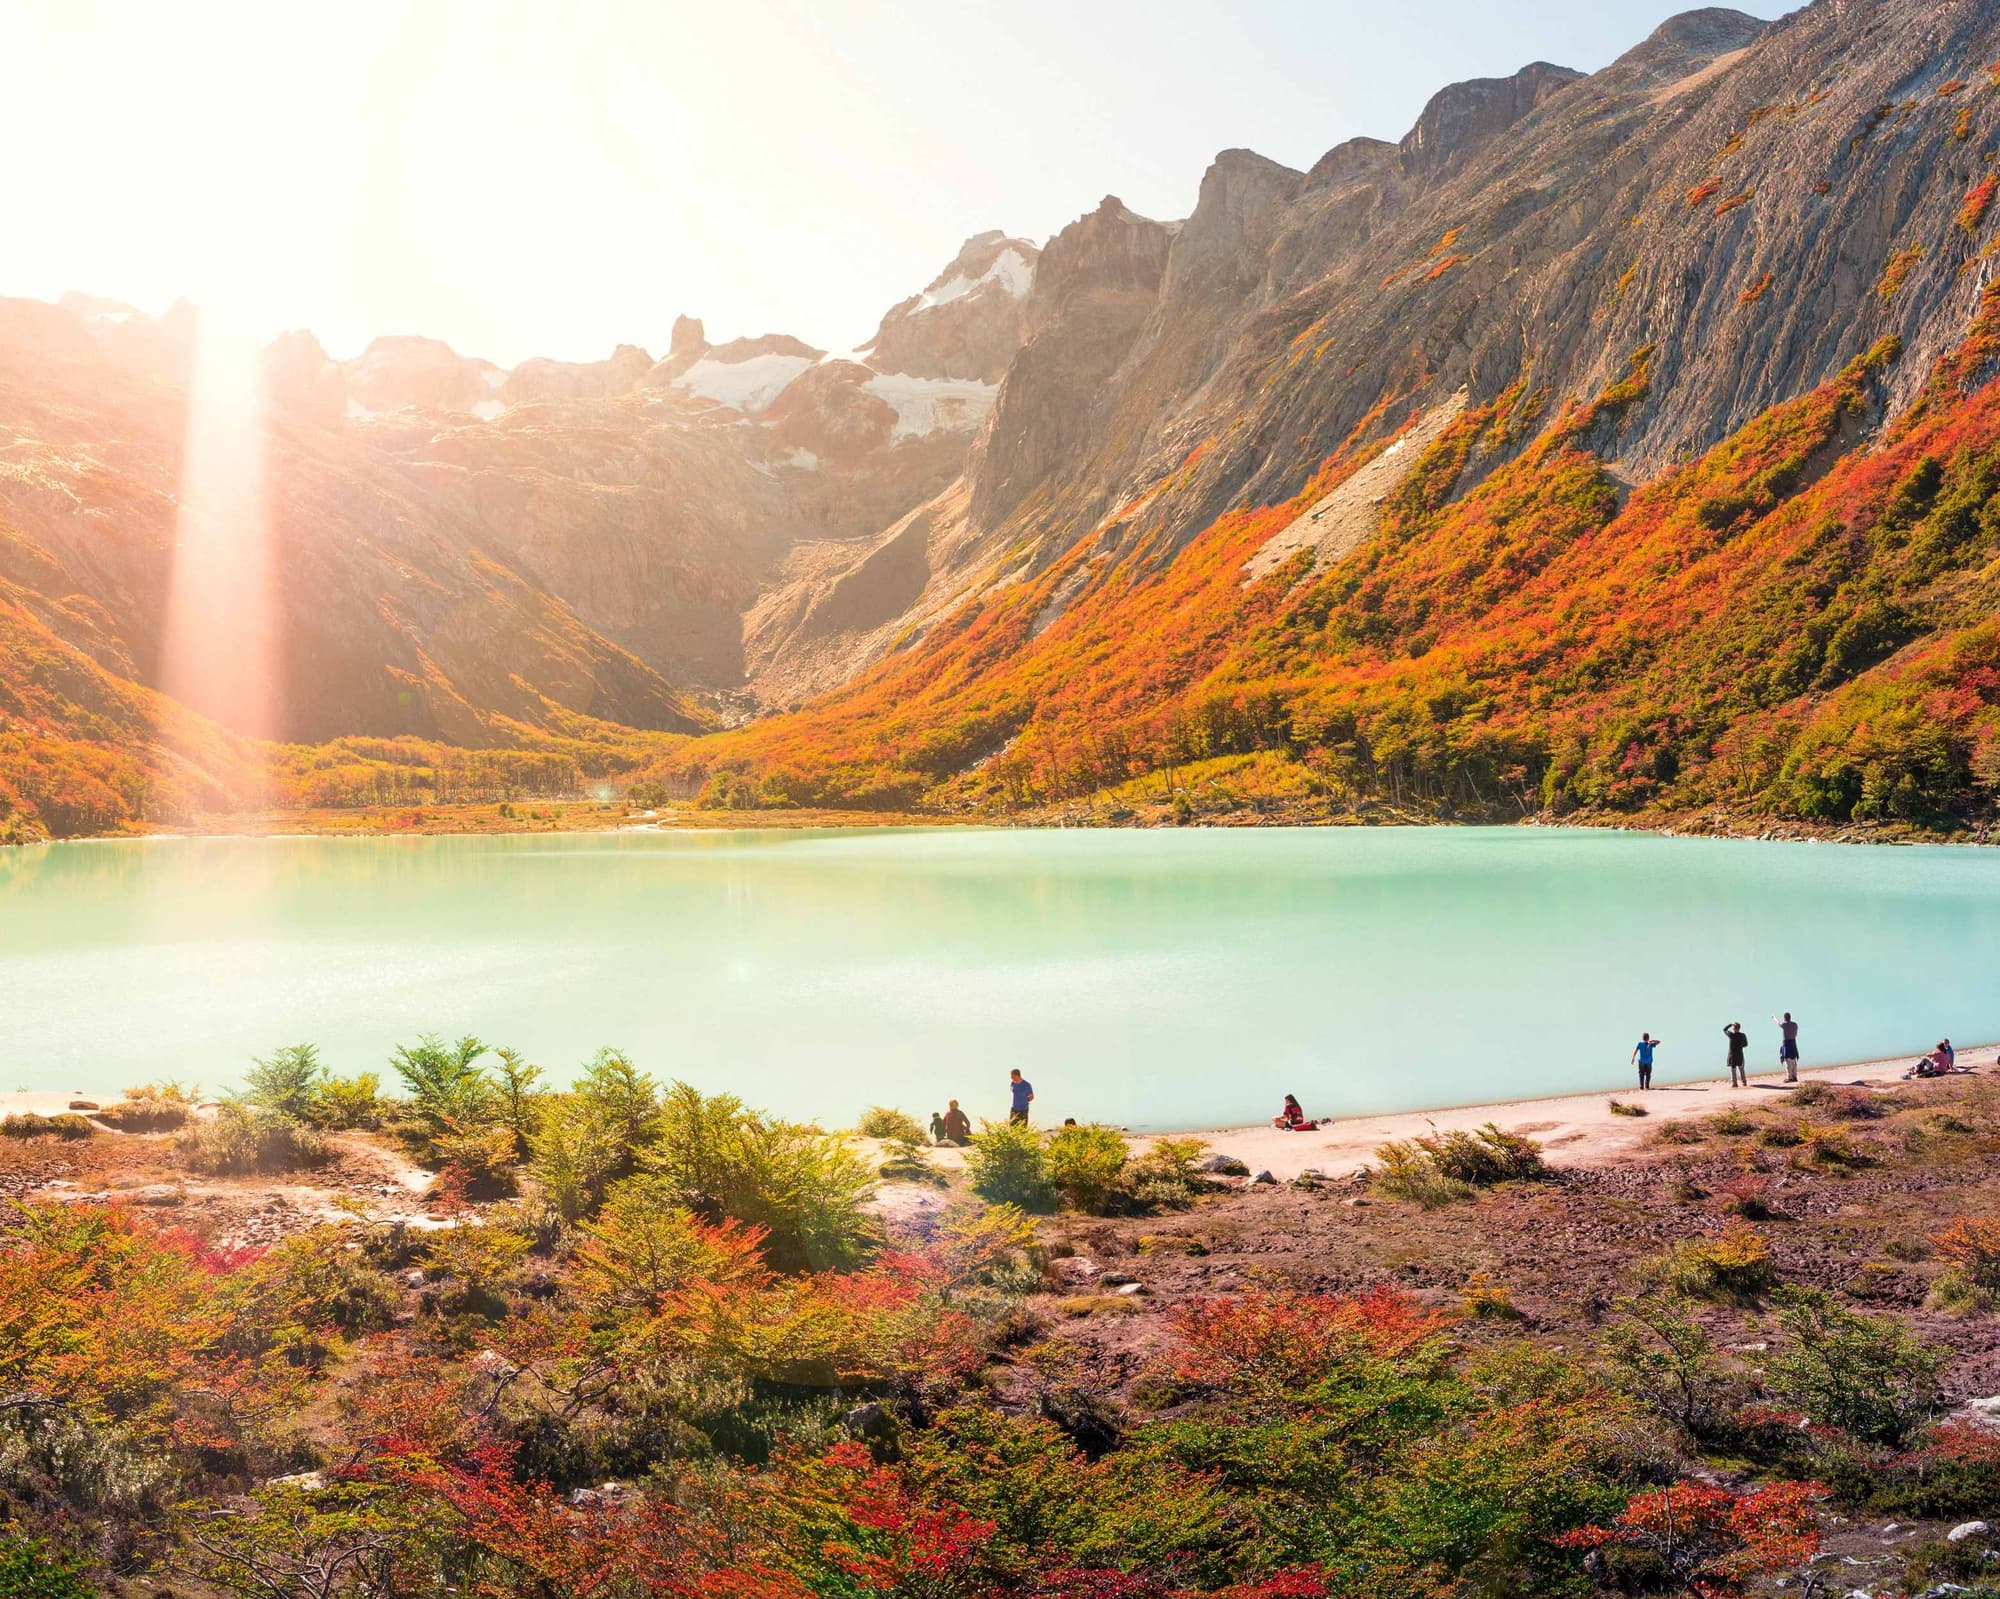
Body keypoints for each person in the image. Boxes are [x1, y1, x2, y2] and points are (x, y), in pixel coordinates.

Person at [1776, 1012, 1801, 1084]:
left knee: (1788, 1060)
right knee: (1793, 1060)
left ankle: (1790, 1077)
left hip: (1787, 1043)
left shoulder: (1784, 1024)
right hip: (1793, 1042)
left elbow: (1778, 1023)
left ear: (1784, 1018)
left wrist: (1774, 1018)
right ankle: (1794, 1076)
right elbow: (1796, 1034)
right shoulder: (1795, 1024)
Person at [1724, 1022, 1749, 1089]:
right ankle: (1744, 1082)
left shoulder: (1731, 1035)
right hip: (1739, 1053)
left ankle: (1734, 1083)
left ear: (1733, 1028)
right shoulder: (1743, 1035)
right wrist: (1740, 1046)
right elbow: (1746, 1044)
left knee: (1733, 1069)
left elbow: (1724, 1029)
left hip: (1732, 1054)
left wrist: (1729, 1024)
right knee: (1741, 1069)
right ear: (1739, 1028)